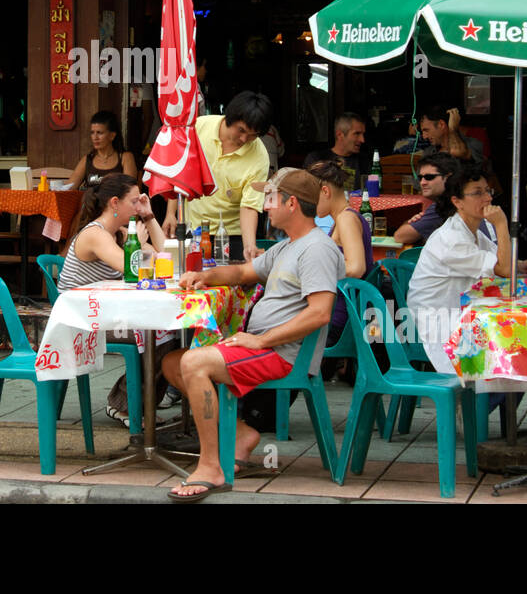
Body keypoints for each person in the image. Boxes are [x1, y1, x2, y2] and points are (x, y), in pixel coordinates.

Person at [160, 168, 338, 502]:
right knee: (174, 362)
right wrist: (205, 275)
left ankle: (211, 466)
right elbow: (244, 272)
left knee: (195, 363)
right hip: (265, 346)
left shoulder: (317, 249)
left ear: (292, 204)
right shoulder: (288, 246)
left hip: (283, 354)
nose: (265, 206)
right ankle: (241, 437)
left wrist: (260, 340)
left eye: (270, 199)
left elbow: (320, 312)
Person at [58, 173, 172, 424]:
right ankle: (124, 405)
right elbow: (130, 269)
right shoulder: (95, 234)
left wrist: (150, 217)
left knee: (169, 331)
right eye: (134, 201)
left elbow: (165, 258)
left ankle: (133, 403)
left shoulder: (120, 233)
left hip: (107, 314)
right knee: (160, 333)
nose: (138, 206)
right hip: (81, 320)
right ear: (114, 203)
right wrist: (138, 243)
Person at [406, 167, 512, 376]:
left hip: (460, 314)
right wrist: (501, 225)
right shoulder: (451, 239)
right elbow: (505, 269)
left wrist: (526, 264)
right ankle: (471, 407)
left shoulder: (472, 232)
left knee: (513, 351)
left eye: (487, 191)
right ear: (457, 201)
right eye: (477, 193)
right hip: (435, 320)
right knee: (508, 355)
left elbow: (502, 263)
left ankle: (478, 406)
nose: (487, 198)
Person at [164, 91, 272, 263]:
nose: (244, 139)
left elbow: (249, 206)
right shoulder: (198, 128)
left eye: (252, 135)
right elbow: (179, 175)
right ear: (230, 118)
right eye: (241, 130)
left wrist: (249, 246)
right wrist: (171, 213)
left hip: (232, 236)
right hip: (193, 230)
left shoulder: (259, 156)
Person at [307, 161, 372, 370]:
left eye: (310, 197)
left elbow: (356, 267)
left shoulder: (346, 218)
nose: (308, 204)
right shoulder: (341, 219)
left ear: (325, 191)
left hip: (340, 317)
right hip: (338, 310)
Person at [393, 152, 461, 245]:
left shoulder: (445, 204)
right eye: (420, 178)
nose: (422, 182)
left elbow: (400, 236)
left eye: (429, 177)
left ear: (448, 177)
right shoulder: (460, 197)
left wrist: (408, 223)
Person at [65, 111, 138, 190]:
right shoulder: (87, 160)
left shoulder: (125, 157)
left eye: (99, 133)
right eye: (92, 133)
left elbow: (130, 190)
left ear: (112, 136)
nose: (95, 137)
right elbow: (69, 187)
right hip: (90, 201)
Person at [303, 112, 367, 190]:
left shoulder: (364, 161)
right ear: (340, 135)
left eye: (363, 134)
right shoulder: (315, 158)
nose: (362, 140)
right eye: (357, 133)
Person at [417, 106, 485, 167]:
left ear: (441, 124)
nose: (424, 137)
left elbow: (458, 152)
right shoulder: (428, 152)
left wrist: (453, 129)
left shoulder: (473, 144)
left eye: (426, 130)